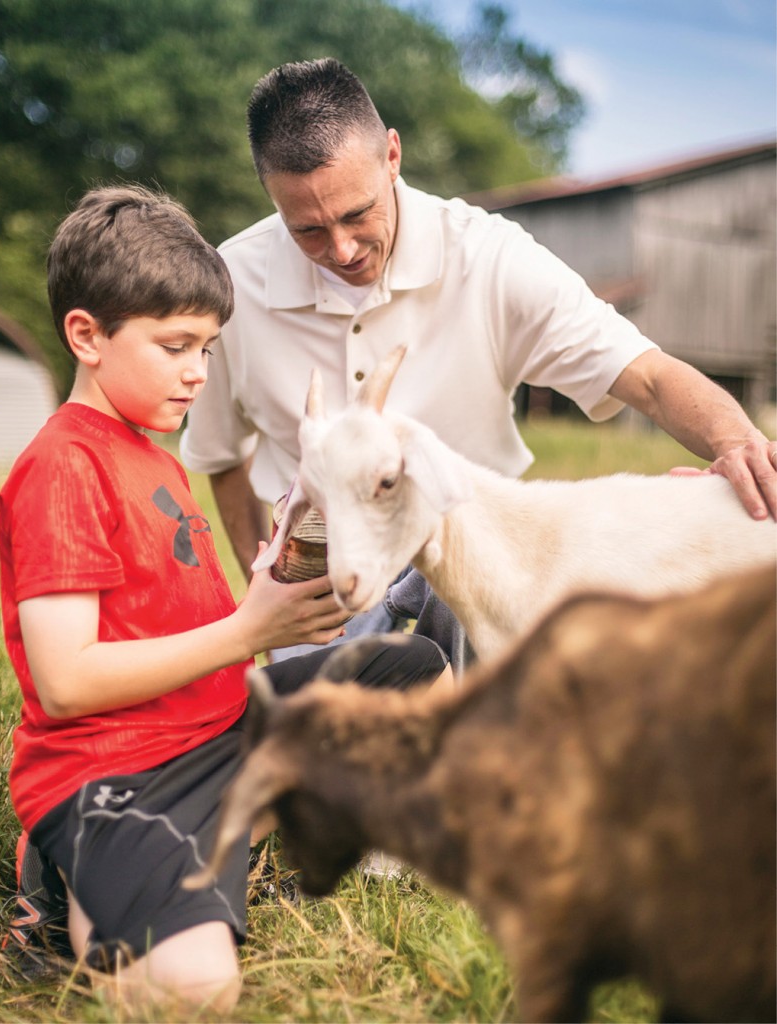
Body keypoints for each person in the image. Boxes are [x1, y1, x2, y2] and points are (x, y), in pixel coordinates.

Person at [0, 184, 449, 1014]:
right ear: (86, 335)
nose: (198, 373)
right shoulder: (62, 466)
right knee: (196, 988)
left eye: (207, 348)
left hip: (221, 733)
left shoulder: (156, 457)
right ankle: (73, 876)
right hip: (121, 776)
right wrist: (250, 629)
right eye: (175, 347)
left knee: (409, 666)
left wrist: (285, 591)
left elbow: (191, 627)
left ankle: (210, 852)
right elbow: (66, 681)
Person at [180, 57, 777, 664]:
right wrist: (274, 604)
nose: (341, 248)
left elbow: (646, 376)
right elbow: (221, 459)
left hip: (480, 585)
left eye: (358, 213)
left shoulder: (491, 257)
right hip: (329, 591)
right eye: (307, 230)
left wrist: (740, 444)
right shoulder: (230, 287)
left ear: (392, 156)